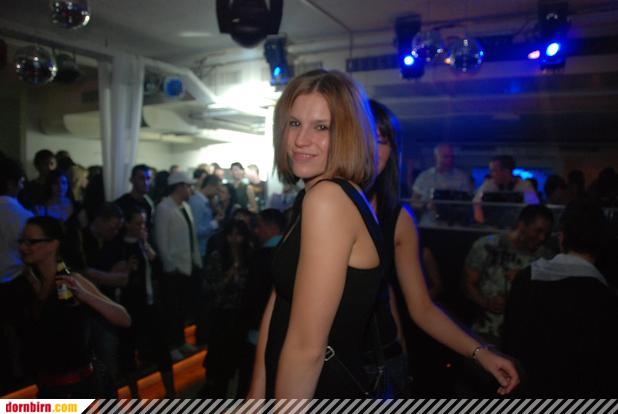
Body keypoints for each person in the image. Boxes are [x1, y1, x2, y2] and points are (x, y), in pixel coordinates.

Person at [247, 69, 387, 398]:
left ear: (348, 134)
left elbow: (307, 348)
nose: (300, 139)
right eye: (294, 123)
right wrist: (255, 395)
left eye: (321, 127)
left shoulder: (328, 200)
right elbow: (280, 302)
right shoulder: (313, 197)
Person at [366, 99, 520, 397]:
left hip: (378, 363)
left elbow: (421, 307)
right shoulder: (315, 205)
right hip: (323, 359)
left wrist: (481, 353)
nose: (371, 149)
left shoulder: (397, 219)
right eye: (361, 137)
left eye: (381, 141)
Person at [504, 200, 618, 396]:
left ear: (561, 237)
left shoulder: (527, 277)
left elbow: (510, 339)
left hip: (525, 389)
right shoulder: (604, 296)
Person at [15, 216, 130, 397]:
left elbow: (124, 318)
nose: (23, 247)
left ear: (53, 244)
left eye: (31, 242)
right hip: (48, 391)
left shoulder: (71, 281)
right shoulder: (30, 283)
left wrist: (84, 295)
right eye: (22, 241)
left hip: (80, 389)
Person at [463, 205, 555, 347]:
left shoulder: (546, 257)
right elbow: (467, 284)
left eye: (546, 234)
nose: (542, 238)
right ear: (522, 225)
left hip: (526, 338)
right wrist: (486, 302)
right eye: (538, 231)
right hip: (485, 334)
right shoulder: (487, 245)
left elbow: (549, 300)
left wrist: (525, 280)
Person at [118, 207, 175, 398]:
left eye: (144, 223)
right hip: (131, 306)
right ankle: (135, 396)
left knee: (162, 348)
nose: (142, 227)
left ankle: (171, 393)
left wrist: (147, 246)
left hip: (151, 304)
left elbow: (158, 267)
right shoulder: (121, 247)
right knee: (128, 352)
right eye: (138, 223)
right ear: (127, 224)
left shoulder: (144, 244)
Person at [202, 219, 254, 397]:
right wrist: (229, 276)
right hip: (222, 313)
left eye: (238, 235)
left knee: (239, 357)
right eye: (231, 235)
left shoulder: (250, 256)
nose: (234, 239)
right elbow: (210, 288)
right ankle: (217, 392)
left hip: (241, 314)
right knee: (219, 357)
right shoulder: (217, 257)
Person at [154, 171, 202, 360]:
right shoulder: (164, 207)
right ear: (179, 187)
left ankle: (180, 342)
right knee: (171, 309)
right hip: (173, 269)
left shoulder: (185, 206)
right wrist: (169, 265)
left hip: (187, 265)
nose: (190, 189)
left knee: (182, 307)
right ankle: (172, 345)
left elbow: (191, 237)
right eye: (188, 186)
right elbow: (161, 240)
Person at [473, 155, 539, 224]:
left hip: (518, 225)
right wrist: (483, 225)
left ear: (506, 171)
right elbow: (477, 205)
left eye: (494, 170)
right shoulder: (488, 185)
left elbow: (533, 209)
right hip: (492, 225)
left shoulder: (524, 185)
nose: (491, 174)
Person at [115, 165, 155, 233]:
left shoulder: (148, 205)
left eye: (148, 178)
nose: (146, 182)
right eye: (141, 178)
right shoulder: (121, 204)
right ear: (132, 180)